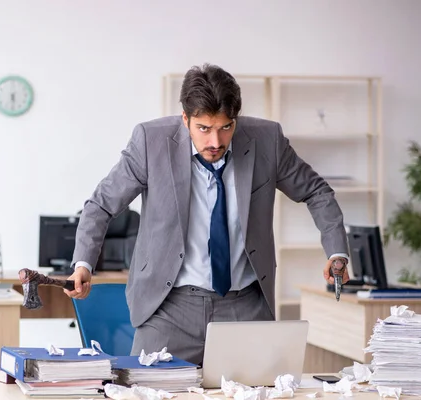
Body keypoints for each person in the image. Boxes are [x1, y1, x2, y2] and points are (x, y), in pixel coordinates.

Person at [65, 63, 350, 365]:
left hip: (245, 307)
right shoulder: (150, 142)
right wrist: (84, 263)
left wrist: (337, 253)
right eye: (203, 129)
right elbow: (101, 204)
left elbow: (316, 191)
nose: (215, 142)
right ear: (185, 118)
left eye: (225, 127)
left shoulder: (267, 140)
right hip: (168, 307)